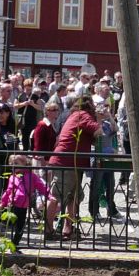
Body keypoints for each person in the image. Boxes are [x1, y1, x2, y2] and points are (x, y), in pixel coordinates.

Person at [47, 97, 104, 239]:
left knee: (74, 197)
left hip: (72, 162)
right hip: (66, 161)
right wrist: (100, 118)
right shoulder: (82, 115)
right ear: (89, 105)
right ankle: (48, 231)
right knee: (56, 197)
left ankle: (68, 230)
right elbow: (98, 131)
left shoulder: (75, 115)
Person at [0, 153, 52, 248]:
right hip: (13, 204)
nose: (13, 165)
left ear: (25, 164)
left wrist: (49, 195)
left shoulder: (31, 176)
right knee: (11, 224)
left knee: (20, 225)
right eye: (11, 163)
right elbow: (8, 191)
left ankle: (15, 243)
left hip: (23, 205)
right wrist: (3, 202)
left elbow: (41, 186)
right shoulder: (12, 177)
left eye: (16, 163)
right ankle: (9, 243)